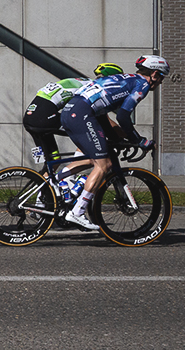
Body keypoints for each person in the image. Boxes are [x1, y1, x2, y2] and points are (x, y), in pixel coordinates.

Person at [58, 55, 169, 231]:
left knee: (95, 158)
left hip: (71, 112)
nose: (161, 82)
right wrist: (139, 140)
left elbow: (103, 116)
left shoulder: (126, 78)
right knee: (104, 165)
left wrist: (120, 138)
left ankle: (53, 181)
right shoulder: (143, 84)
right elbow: (123, 116)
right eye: (162, 77)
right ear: (155, 74)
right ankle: (77, 213)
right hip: (82, 114)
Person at [23, 62, 123, 166]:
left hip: (30, 118)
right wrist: (117, 139)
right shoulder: (95, 89)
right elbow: (103, 121)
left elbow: (104, 120)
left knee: (54, 161)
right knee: (89, 135)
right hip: (43, 118)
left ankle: (41, 181)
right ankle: (69, 178)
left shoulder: (84, 82)